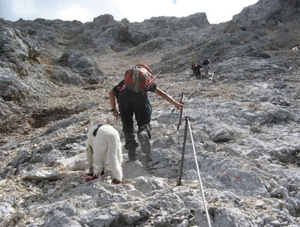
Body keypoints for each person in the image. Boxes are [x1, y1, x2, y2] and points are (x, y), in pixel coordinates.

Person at [109, 63, 184, 162]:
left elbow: (111, 92)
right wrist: (175, 103)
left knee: (127, 125)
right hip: (139, 98)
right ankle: (143, 132)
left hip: (123, 98)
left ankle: (132, 154)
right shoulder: (145, 81)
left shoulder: (125, 82)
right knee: (144, 121)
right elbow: (161, 93)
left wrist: (113, 109)